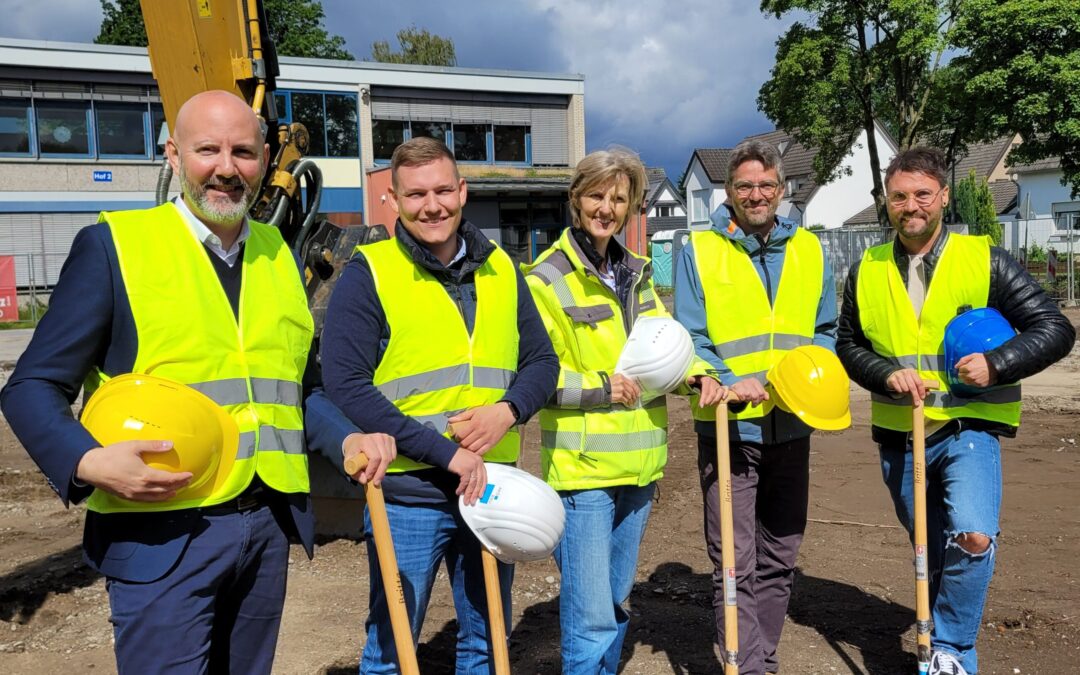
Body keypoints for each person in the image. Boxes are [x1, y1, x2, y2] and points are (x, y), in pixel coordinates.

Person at [0, 90, 393, 675]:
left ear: (264, 159)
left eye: (243, 151)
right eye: (208, 149)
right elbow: (30, 385)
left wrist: (346, 440)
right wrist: (87, 462)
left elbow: (297, 388)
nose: (226, 168)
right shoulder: (114, 248)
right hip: (160, 533)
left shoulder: (278, 256)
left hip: (264, 528)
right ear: (173, 155)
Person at [319, 136, 559, 673]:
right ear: (395, 201)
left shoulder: (502, 269)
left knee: (487, 644)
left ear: (463, 191)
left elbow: (543, 362)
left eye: (444, 190)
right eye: (417, 194)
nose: (433, 205)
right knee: (390, 650)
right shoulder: (369, 273)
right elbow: (345, 383)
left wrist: (508, 411)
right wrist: (445, 454)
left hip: (491, 492)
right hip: (408, 495)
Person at [836, 147, 1075, 675]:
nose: (911, 205)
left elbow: (1056, 329)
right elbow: (849, 345)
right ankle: (945, 637)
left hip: (969, 429)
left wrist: (998, 363)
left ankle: (951, 651)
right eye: (899, 196)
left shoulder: (983, 259)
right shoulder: (865, 269)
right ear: (886, 202)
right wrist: (882, 374)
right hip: (901, 433)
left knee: (972, 536)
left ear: (943, 195)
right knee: (933, 549)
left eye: (922, 194)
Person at [522, 148, 723, 674]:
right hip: (584, 472)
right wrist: (602, 388)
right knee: (590, 618)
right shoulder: (545, 282)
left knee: (613, 605)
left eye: (618, 198)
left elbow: (664, 350)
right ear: (575, 199)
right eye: (596, 195)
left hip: (639, 469)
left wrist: (697, 374)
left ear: (632, 206)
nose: (606, 208)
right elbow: (534, 378)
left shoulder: (637, 276)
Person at [673, 139, 838, 675]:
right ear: (729, 192)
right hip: (728, 430)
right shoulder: (698, 250)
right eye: (745, 185)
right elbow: (689, 337)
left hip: (793, 425)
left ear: (782, 189)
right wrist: (725, 379)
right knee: (734, 560)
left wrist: (805, 379)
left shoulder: (811, 250)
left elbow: (825, 331)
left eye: (766, 184)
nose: (757, 194)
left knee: (781, 555)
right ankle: (743, 665)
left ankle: (761, 657)